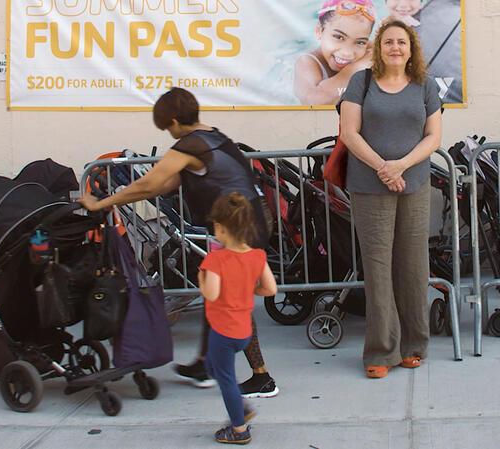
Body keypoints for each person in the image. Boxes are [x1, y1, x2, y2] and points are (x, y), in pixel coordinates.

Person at [78, 87, 279, 398]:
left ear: (173, 120)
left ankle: (262, 377)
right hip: (252, 217)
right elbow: (168, 183)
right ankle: (205, 364)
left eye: (167, 127)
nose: (169, 134)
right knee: (216, 295)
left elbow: (149, 184)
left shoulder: (189, 145)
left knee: (231, 300)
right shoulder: (213, 135)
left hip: (242, 227)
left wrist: (103, 203)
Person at [338, 20, 441, 378]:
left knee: (413, 266)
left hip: (414, 185)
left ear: (411, 49)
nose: (395, 47)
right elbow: (349, 133)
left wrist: (401, 166)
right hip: (369, 186)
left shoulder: (425, 86)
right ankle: (381, 352)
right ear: (378, 48)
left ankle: (414, 345)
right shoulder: (360, 83)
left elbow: (433, 138)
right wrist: (383, 167)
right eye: (388, 42)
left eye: (402, 42)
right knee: (378, 268)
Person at [199, 193, 277, 445]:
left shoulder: (215, 259)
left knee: (226, 381)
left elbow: (211, 293)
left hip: (222, 332)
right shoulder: (257, 256)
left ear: (220, 228)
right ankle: (240, 410)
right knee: (212, 368)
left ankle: (239, 429)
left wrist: (202, 276)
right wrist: (250, 289)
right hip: (243, 332)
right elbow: (270, 289)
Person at [293, 0, 376, 105]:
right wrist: (355, 69)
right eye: (339, 37)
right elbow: (313, 102)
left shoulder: (367, 50)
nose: (347, 53)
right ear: (319, 31)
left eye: (360, 42)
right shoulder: (307, 62)